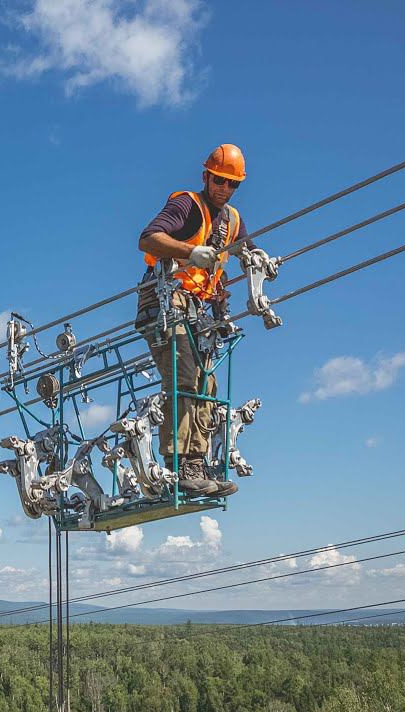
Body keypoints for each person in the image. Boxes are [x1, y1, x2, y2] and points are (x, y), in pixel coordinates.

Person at [134, 144, 248, 498]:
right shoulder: (187, 205)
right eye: (219, 181)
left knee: (207, 385)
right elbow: (148, 238)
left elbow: (245, 255)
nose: (224, 189)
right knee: (184, 376)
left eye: (232, 185)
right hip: (164, 302)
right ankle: (181, 465)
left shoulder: (232, 222)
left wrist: (260, 269)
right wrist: (189, 251)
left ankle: (198, 463)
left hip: (199, 312)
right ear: (206, 177)